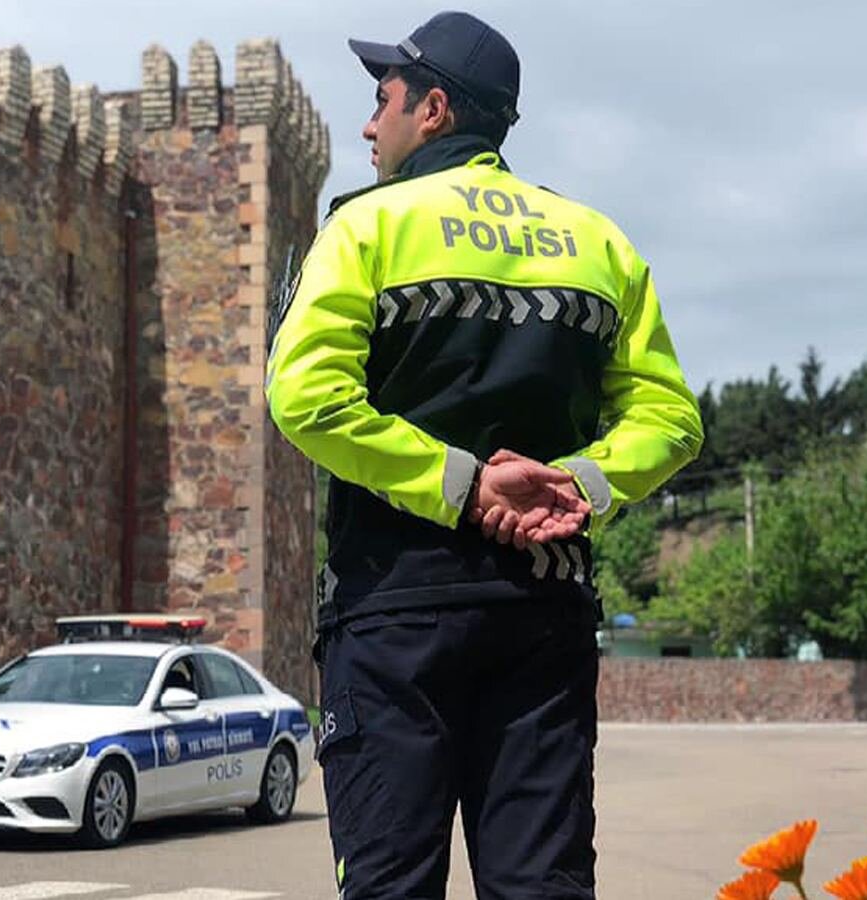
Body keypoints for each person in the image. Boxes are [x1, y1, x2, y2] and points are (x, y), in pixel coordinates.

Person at [265, 11, 704, 900]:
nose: (366, 124)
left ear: (433, 109)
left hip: (395, 615)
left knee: (390, 885)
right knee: (542, 885)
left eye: (380, 99)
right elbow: (671, 418)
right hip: (544, 608)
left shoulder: (365, 227)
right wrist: (578, 483)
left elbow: (305, 396)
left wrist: (464, 487)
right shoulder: (599, 241)